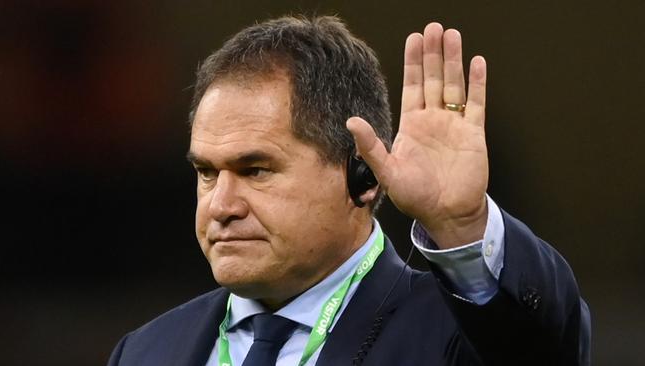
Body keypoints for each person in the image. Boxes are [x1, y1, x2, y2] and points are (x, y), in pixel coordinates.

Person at [107, 15, 590, 365]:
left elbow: (546, 347)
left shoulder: (455, 337)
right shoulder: (144, 351)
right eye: (208, 172)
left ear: (361, 177)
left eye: (255, 170)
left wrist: (462, 225)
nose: (221, 206)